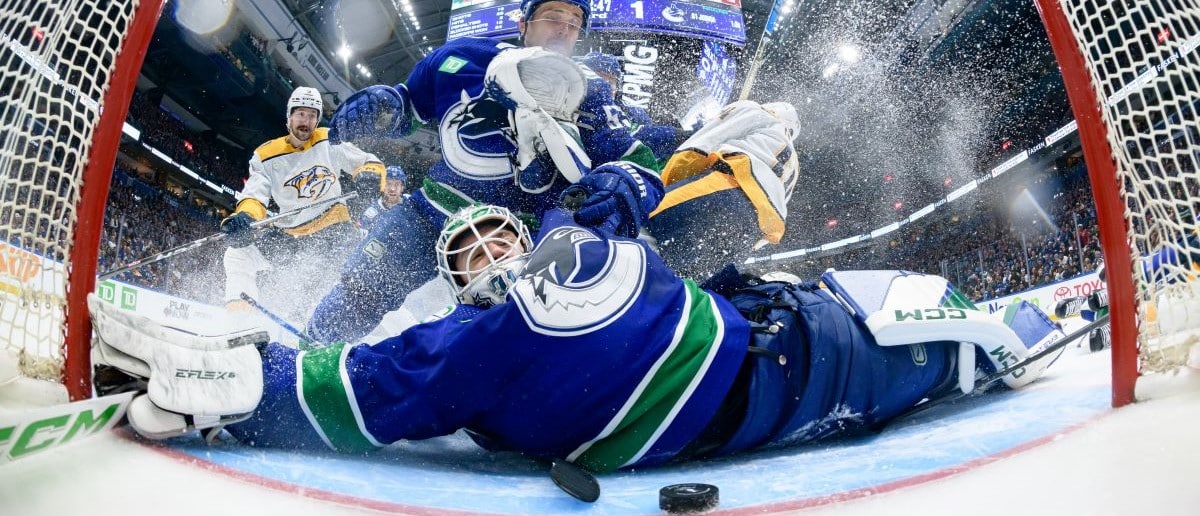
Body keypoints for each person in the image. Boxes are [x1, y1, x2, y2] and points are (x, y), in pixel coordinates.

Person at [89, 162, 1066, 474]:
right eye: (466, 252)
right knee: (907, 349)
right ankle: (975, 352)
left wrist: (713, 174)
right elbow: (390, 378)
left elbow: (669, 225)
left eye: (494, 239)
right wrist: (263, 383)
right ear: (455, 272)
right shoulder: (471, 338)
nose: (488, 253)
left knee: (925, 336)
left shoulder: (575, 242)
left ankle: (988, 346)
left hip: (782, 333)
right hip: (760, 375)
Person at [306, 0, 663, 343]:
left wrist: (623, 181)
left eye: (574, 22)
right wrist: (386, 104)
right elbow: (411, 107)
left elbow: (638, 164)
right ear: (524, 24)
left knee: (506, 340)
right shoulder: (461, 57)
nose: (564, 28)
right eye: (554, 15)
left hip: (516, 243)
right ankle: (307, 354)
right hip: (431, 214)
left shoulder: (590, 91)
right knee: (360, 293)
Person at [220, 86, 385, 319]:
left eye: (311, 115)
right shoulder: (265, 155)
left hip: (334, 231)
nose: (305, 121)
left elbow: (368, 161)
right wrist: (245, 217)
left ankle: (331, 321)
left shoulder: (329, 139)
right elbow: (255, 195)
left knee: (350, 277)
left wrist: (369, 174)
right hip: (290, 236)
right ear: (289, 117)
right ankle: (238, 318)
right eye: (300, 114)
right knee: (237, 254)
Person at [646, 99, 802, 280]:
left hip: (723, 193)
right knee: (674, 285)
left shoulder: (758, 112)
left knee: (636, 226)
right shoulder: (794, 169)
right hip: (748, 236)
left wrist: (665, 186)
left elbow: (697, 148)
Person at [576, 51, 691, 163]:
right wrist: (676, 136)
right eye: (601, 78)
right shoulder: (580, 108)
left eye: (611, 81)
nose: (607, 85)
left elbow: (645, 133)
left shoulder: (632, 111)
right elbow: (631, 138)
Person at [358, 165, 409, 232]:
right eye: (388, 184)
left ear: (402, 187)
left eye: (397, 184)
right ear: (382, 186)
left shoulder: (411, 202)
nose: (392, 189)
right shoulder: (371, 213)